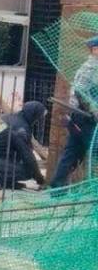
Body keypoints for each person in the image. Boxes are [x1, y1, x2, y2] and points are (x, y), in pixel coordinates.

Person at [51, 36, 98, 188]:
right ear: (95, 49)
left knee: (73, 152)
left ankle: (57, 187)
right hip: (84, 118)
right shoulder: (91, 68)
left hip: (81, 118)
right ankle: (89, 187)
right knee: (91, 150)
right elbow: (80, 91)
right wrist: (94, 110)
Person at [0, 101, 47, 190]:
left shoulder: (6, 118)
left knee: (14, 155)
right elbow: (27, 156)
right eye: (38, 118)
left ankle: (0, 177)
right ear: (34, 116)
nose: (37, 121)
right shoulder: (22, 129)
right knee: (29, 171)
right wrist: (39, 178)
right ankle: (0, 179)